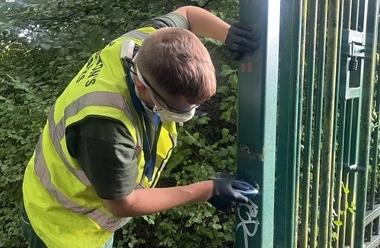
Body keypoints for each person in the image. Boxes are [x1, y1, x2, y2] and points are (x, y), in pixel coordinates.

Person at [21, 5, 259, 248]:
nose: (189, 115)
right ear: (142, 87)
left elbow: (187, 14)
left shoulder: (152, 44)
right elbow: (123, 203)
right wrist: (207, 190)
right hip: (63, 226)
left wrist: (228, 33)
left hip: (83, 209)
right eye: (178, 110)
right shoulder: (107, 129)